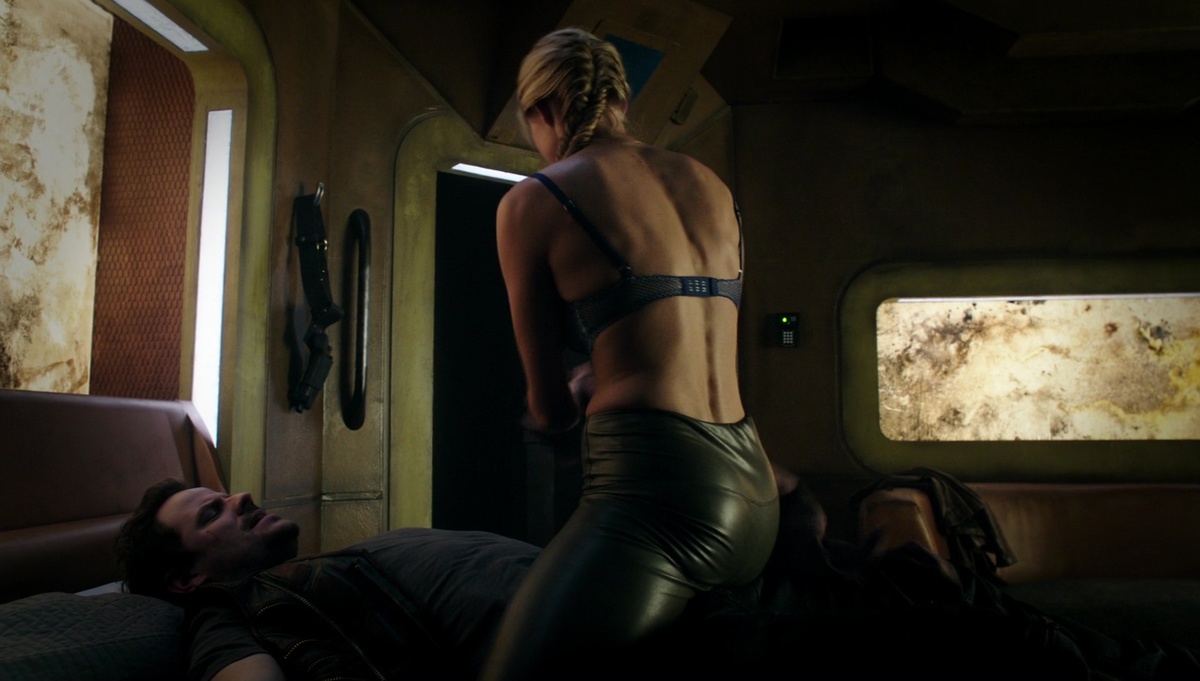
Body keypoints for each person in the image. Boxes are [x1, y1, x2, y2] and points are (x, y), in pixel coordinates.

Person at [485, 26, 780, 680]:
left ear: (541, 110)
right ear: (621, 100)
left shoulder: (536, 199)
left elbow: (550, 410)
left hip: (657, 497)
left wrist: (579, 390)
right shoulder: (711, 186)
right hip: (754, 487)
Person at [116, 478, 543, 681]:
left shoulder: (299, 578)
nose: (241, 497)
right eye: (213, 513)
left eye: (224, 497)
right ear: (187, 577)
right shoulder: (218, 612)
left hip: (565, 598)